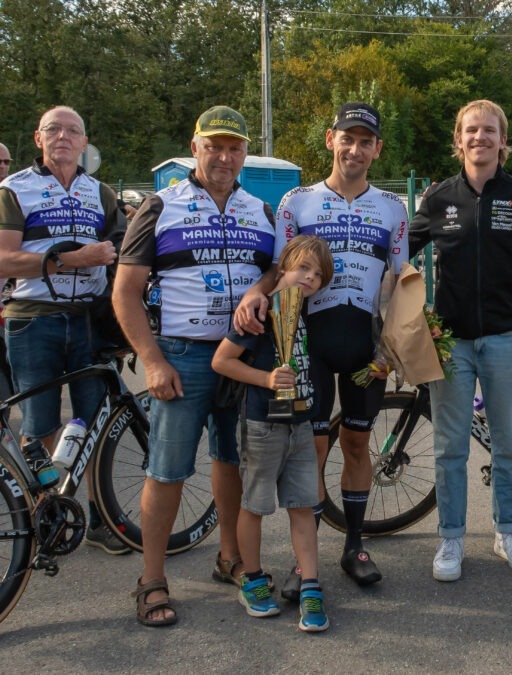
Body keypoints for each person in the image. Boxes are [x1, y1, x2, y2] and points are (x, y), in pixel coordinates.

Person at [235, 102, 409, 596]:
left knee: (356, 443)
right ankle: (302, 561)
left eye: (366, 141)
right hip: (307, 345)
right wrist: (255, 293)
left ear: (377, 150)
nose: (355, 149)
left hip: (363, 348)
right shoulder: (297, 202)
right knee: (310, 451)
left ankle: (354, 544)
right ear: (331, 140)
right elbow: (277, 271)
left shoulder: (393, 209)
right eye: (347, 138)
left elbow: (403, 280)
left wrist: (393, 347)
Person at [114, 105, 276, 626]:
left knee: (231, 461)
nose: (225, 157)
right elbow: (125, 292)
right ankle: (152, 579)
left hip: (240, 356)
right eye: (215, 146)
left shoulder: (258, 208)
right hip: (182, 356)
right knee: (167, 470)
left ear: (245, 152)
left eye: (234, 147)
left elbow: (276, 270)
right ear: (195, 147)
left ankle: (229, 558)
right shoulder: (162, 205)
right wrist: (152, 360)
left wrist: (260, 287)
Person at [409, 99, 512, 582]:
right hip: (450, 341)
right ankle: (451, 538)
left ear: (502, 141)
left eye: (489, 130)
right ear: (459, 140)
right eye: (471, 130)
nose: (480, 137)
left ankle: (508, 530)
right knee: (450, 445)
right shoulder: (438, 199)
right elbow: (397, 250)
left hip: (503, 338)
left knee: (507, 444)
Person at [0, 106, 127, 554]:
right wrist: (69, 259)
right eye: (53, 130)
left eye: (73, 131)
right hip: (34, 316)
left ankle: (100, 519)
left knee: (93, 421)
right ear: (38, 138)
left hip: (89, 318)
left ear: (84, 142)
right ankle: (46, 512)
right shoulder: (14, 189)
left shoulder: (102, 192)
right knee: (40, 424)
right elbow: (2, 258)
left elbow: (123, 256)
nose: (63, 137)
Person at [212, 235, 333, 632]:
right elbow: (222, 361)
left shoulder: (310, 316)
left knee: (303, 505)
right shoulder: (260, 314)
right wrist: (265, 378)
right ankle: (253, 579)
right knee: (256, 505)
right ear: (282, 270)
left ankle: (312, 585)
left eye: (318, 275)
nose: (310, 278)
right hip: (262, 425)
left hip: (300, 423)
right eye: (303, 268)